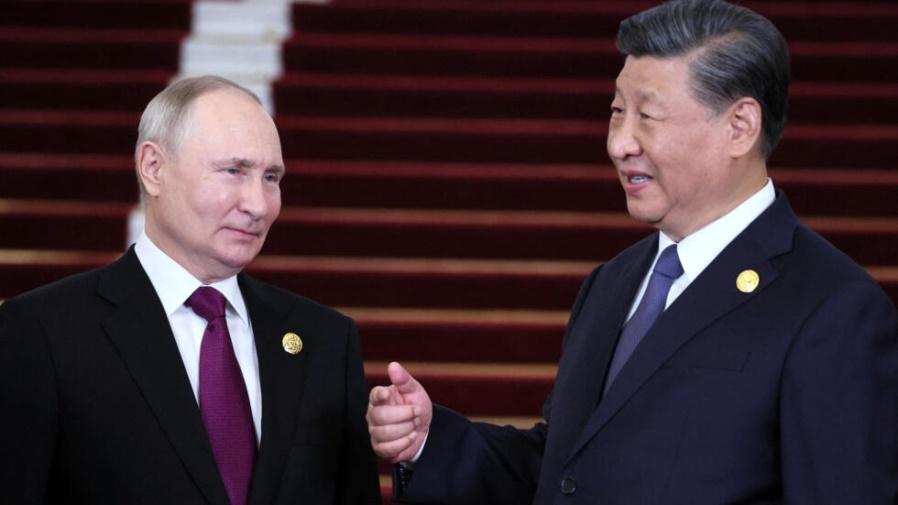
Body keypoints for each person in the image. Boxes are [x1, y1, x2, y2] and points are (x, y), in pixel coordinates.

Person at [365, 1, 898, 503]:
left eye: (648, 116)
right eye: (618, 112)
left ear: (740, 126)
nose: (620, 142)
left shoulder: (833, 308)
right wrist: (431, 441)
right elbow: (566, 471)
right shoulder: (613, 281)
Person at [0, 76, 382, 505]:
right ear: (153, 168)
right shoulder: (40, 333)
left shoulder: (325, 340)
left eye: (271, 177)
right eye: (233, 171)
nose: (258, 204)